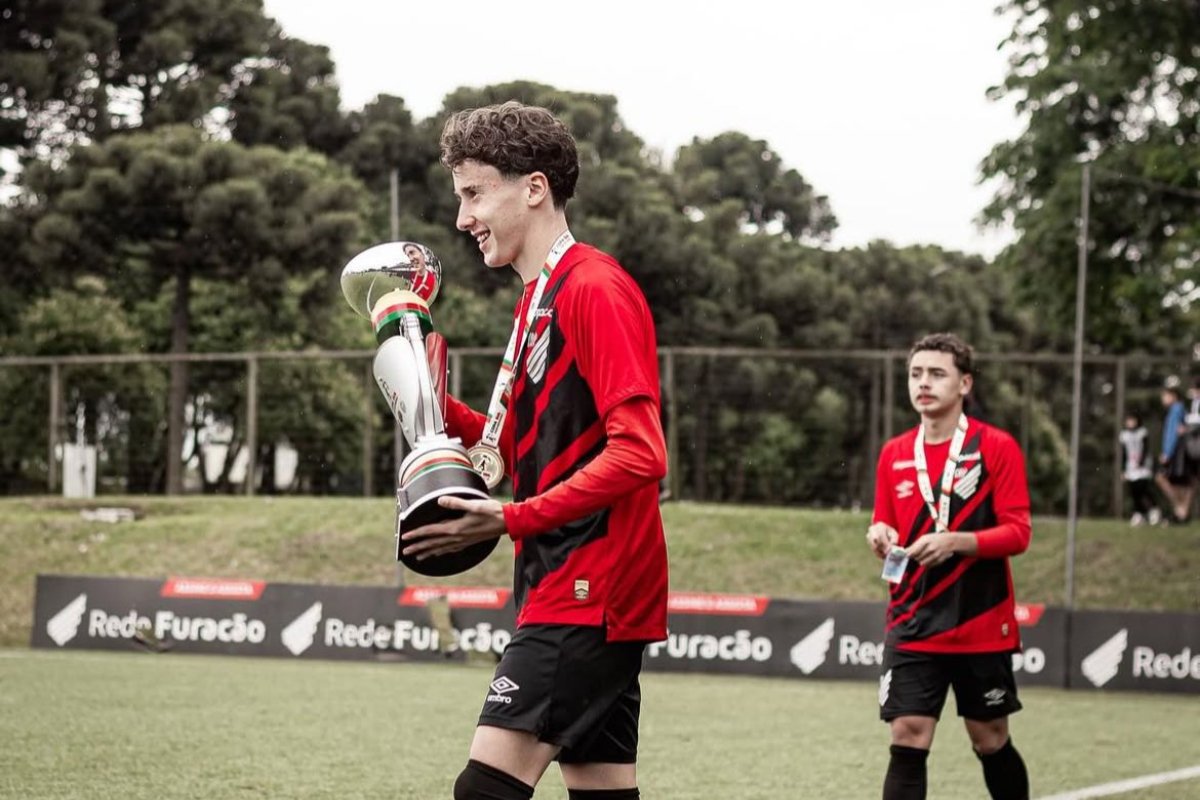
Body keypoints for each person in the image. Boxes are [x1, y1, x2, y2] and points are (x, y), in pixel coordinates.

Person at [399, 101, 668, 800]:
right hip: (564, 583)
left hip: (590, 589)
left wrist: (509, 519)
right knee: (601, 790)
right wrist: (429, 402)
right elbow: (529, 455)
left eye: (474, 193)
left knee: (483, 788)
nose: (463, 218)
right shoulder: (538, 300)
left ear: (534, 188)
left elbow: (640, 454)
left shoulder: (594, 289)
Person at [865, 333, 1032, 800]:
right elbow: (885, 521)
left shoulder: (996, 447)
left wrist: (956, 543)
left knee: (989, 738)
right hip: (912, 619)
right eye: (916, 374)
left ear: (964, 383)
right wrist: (881, 534)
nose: (924, 383)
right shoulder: (894, 453)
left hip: (979, 619)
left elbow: (1018, 533)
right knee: (908, 734)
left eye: (937, 373)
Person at [1154, 382, 1194, 524]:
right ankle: (1181, 513)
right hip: (1178, 451)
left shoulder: (1177, 410)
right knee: (1181, 484)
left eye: (1164, 396)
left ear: (1173, 396)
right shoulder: (1178, 410)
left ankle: (1181, 510)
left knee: (1163, 478)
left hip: (1177, 452)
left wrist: (1167, 452)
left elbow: (1173, 434)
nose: (1162, 399)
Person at [1119, 413, 1160, 526]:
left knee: (1144, 489)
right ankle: (1139, 513)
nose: (1130, 423)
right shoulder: (1124, 435)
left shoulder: (1142, 433)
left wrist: (1141, 462)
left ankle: (1154, 510)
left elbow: (1145, 449)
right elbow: (1124, 454)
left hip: (1143, 467)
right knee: (1134, 492)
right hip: (1131, 466)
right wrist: (1123, 470)